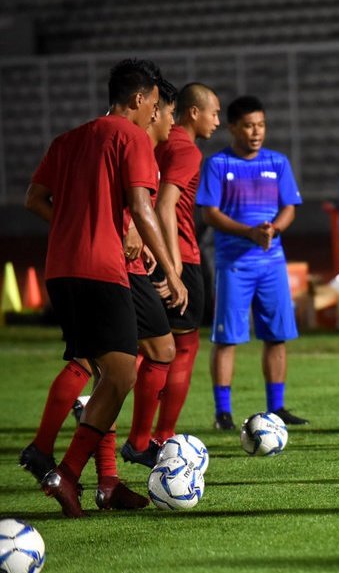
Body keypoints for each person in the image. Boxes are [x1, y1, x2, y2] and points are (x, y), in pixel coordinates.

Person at [24, 58, 187, 517]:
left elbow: (34, 198)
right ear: (138, 100)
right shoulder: (130, 136)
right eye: (154, 104)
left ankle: (104, 482)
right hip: (101, 269)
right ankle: (68, 474)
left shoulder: (68, 139)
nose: (156, 113)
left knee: (106, 373)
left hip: (61, 270)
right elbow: (140, 204)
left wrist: (75, 225)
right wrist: (172, 274)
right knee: (120, 375)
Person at [196, 95, 307, 430]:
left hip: (272, 261)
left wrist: (275, 228)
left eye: (260, 125)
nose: (256, 132)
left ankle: (277, 408)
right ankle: (223, 412)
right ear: (232, 127)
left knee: (276, 336)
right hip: (233, 263)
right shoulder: (217, 164)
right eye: (248, 125)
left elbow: (289, 206)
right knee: (226, 337)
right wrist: (248, 232)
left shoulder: (278, 162)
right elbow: (210, 214)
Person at [139, 83, 221, 450]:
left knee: (149, 346)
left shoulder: (154, 140)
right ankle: (162, 434)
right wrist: (174, 269)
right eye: (214, 113)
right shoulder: (186, 149)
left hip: (147, 252)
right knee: (183, 349)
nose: (217, 121)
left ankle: (105, 408)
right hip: (180, 256)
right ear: (193, 112)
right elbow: (165, 205)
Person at [118, 78, 182, 468]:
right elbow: (143, 209)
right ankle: (138, 444)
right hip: (115, 267)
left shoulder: (144, 150)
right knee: (113, 366)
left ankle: (114, 468)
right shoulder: (134, 143)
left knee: (111, 365)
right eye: (164, 110)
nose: (166, 118)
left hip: (126, 263)